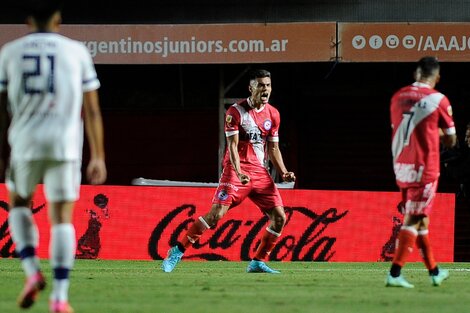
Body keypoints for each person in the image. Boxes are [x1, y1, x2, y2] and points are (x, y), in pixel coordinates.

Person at [0, 1, 107, 312]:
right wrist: (98, 155)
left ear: (28, 19)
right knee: (62, 219)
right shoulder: (77, 52)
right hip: (65, 146)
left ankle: (32, 272)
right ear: (59, 18)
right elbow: (93, 110)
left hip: (25, 143)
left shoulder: (10, 52)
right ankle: (59, 297)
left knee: (19, 203)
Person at [161, 69, 295, 273]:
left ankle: (257, 262)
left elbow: (273, 148)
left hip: (260, 173)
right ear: (251, 88)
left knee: (279, 218)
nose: (265, 89)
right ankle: (177, 251)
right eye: (260, 85)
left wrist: (283, 172)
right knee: (216, 215)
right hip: (236, 170)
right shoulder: (235, 112)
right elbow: (231, 146)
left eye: (267, 85)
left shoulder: (273, 114)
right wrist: (239, 171)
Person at [386, 56, 456, 288]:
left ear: (416, 74)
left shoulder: (397, 96)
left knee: (421, 220)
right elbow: (451, 141)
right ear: (436, 76)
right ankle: (395, 274)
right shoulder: (438, 99)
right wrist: (436, 134)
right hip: (425, 169)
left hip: (402, 166)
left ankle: (434, 272)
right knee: (414, 219)